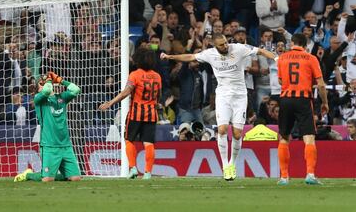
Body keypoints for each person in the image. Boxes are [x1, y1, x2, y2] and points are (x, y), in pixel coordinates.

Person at [160, 34, 276, 181]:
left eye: (226, 43)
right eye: (221, 45)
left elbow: (260, 51)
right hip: (223, 96)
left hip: (240, 96)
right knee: (222, 130)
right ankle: (225, 166)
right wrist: (170, 57)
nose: (225, 46)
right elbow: (190, 57)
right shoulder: (209, 54)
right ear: (215, 46)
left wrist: (277, 58)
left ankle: (232, 164)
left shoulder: (238, 49)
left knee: (237, 134)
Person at [99, 48, 162, 180]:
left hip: (135, 113)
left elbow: (125, 93)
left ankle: (133, 168)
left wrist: (110, 103)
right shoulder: (157, 76)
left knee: (129, 140)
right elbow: (158, 97)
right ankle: (148, 173)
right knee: (148, 143)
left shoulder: (135, 74)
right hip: (151, 114)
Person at [277, 33, 329, 185]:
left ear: (292, 43)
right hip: (303, 100)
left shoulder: (282, 58)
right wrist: (325, 102)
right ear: (305, 45)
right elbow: (320, 84)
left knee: (284, 137)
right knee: (309, 137)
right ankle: (310, 175)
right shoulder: (311, 58)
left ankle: (284, 177)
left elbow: (280, 80)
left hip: (286, 99)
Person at [14, 71, 82, 182]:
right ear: (38, 89)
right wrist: (49, 80)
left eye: (45, 82)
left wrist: (61, 80)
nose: (45, 84)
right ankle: (28, 175)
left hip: (65, 145)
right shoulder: (39, 99)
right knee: (47, 179)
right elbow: (46, 90)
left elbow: (76, 89)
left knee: (75, 178)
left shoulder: (62, 98)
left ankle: (57, 174)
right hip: (49, 146)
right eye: (42, 83)